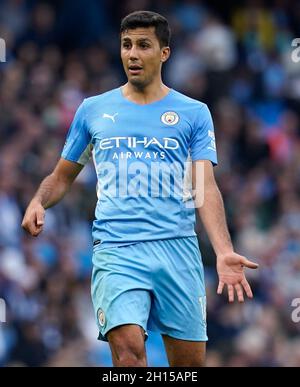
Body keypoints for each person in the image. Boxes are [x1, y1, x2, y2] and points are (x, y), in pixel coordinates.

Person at [21, 10, 259, 367]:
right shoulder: (93, 111)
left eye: (143, 45)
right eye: (126, 45)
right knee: (129, 351)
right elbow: (62, 176)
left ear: (164, 52)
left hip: (177, 249)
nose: (132, 54)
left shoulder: (193, 113)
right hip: (118, 249)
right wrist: (39, 200)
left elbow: (204, 186)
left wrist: (224, 251)